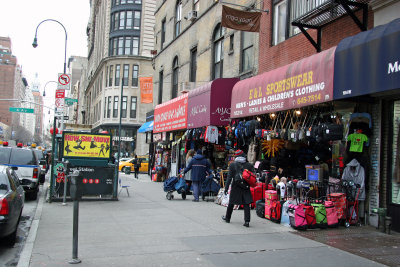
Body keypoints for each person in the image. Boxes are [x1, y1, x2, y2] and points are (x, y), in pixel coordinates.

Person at [222, 149, 255, 227]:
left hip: (236, 186)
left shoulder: (232, 165)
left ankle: (227, 218)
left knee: (231, 202)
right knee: (246, 203)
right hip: (246, 186)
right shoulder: (249, 165)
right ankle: (247, 221)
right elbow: (253, 176)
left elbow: (229, 178)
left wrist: (226, 189)